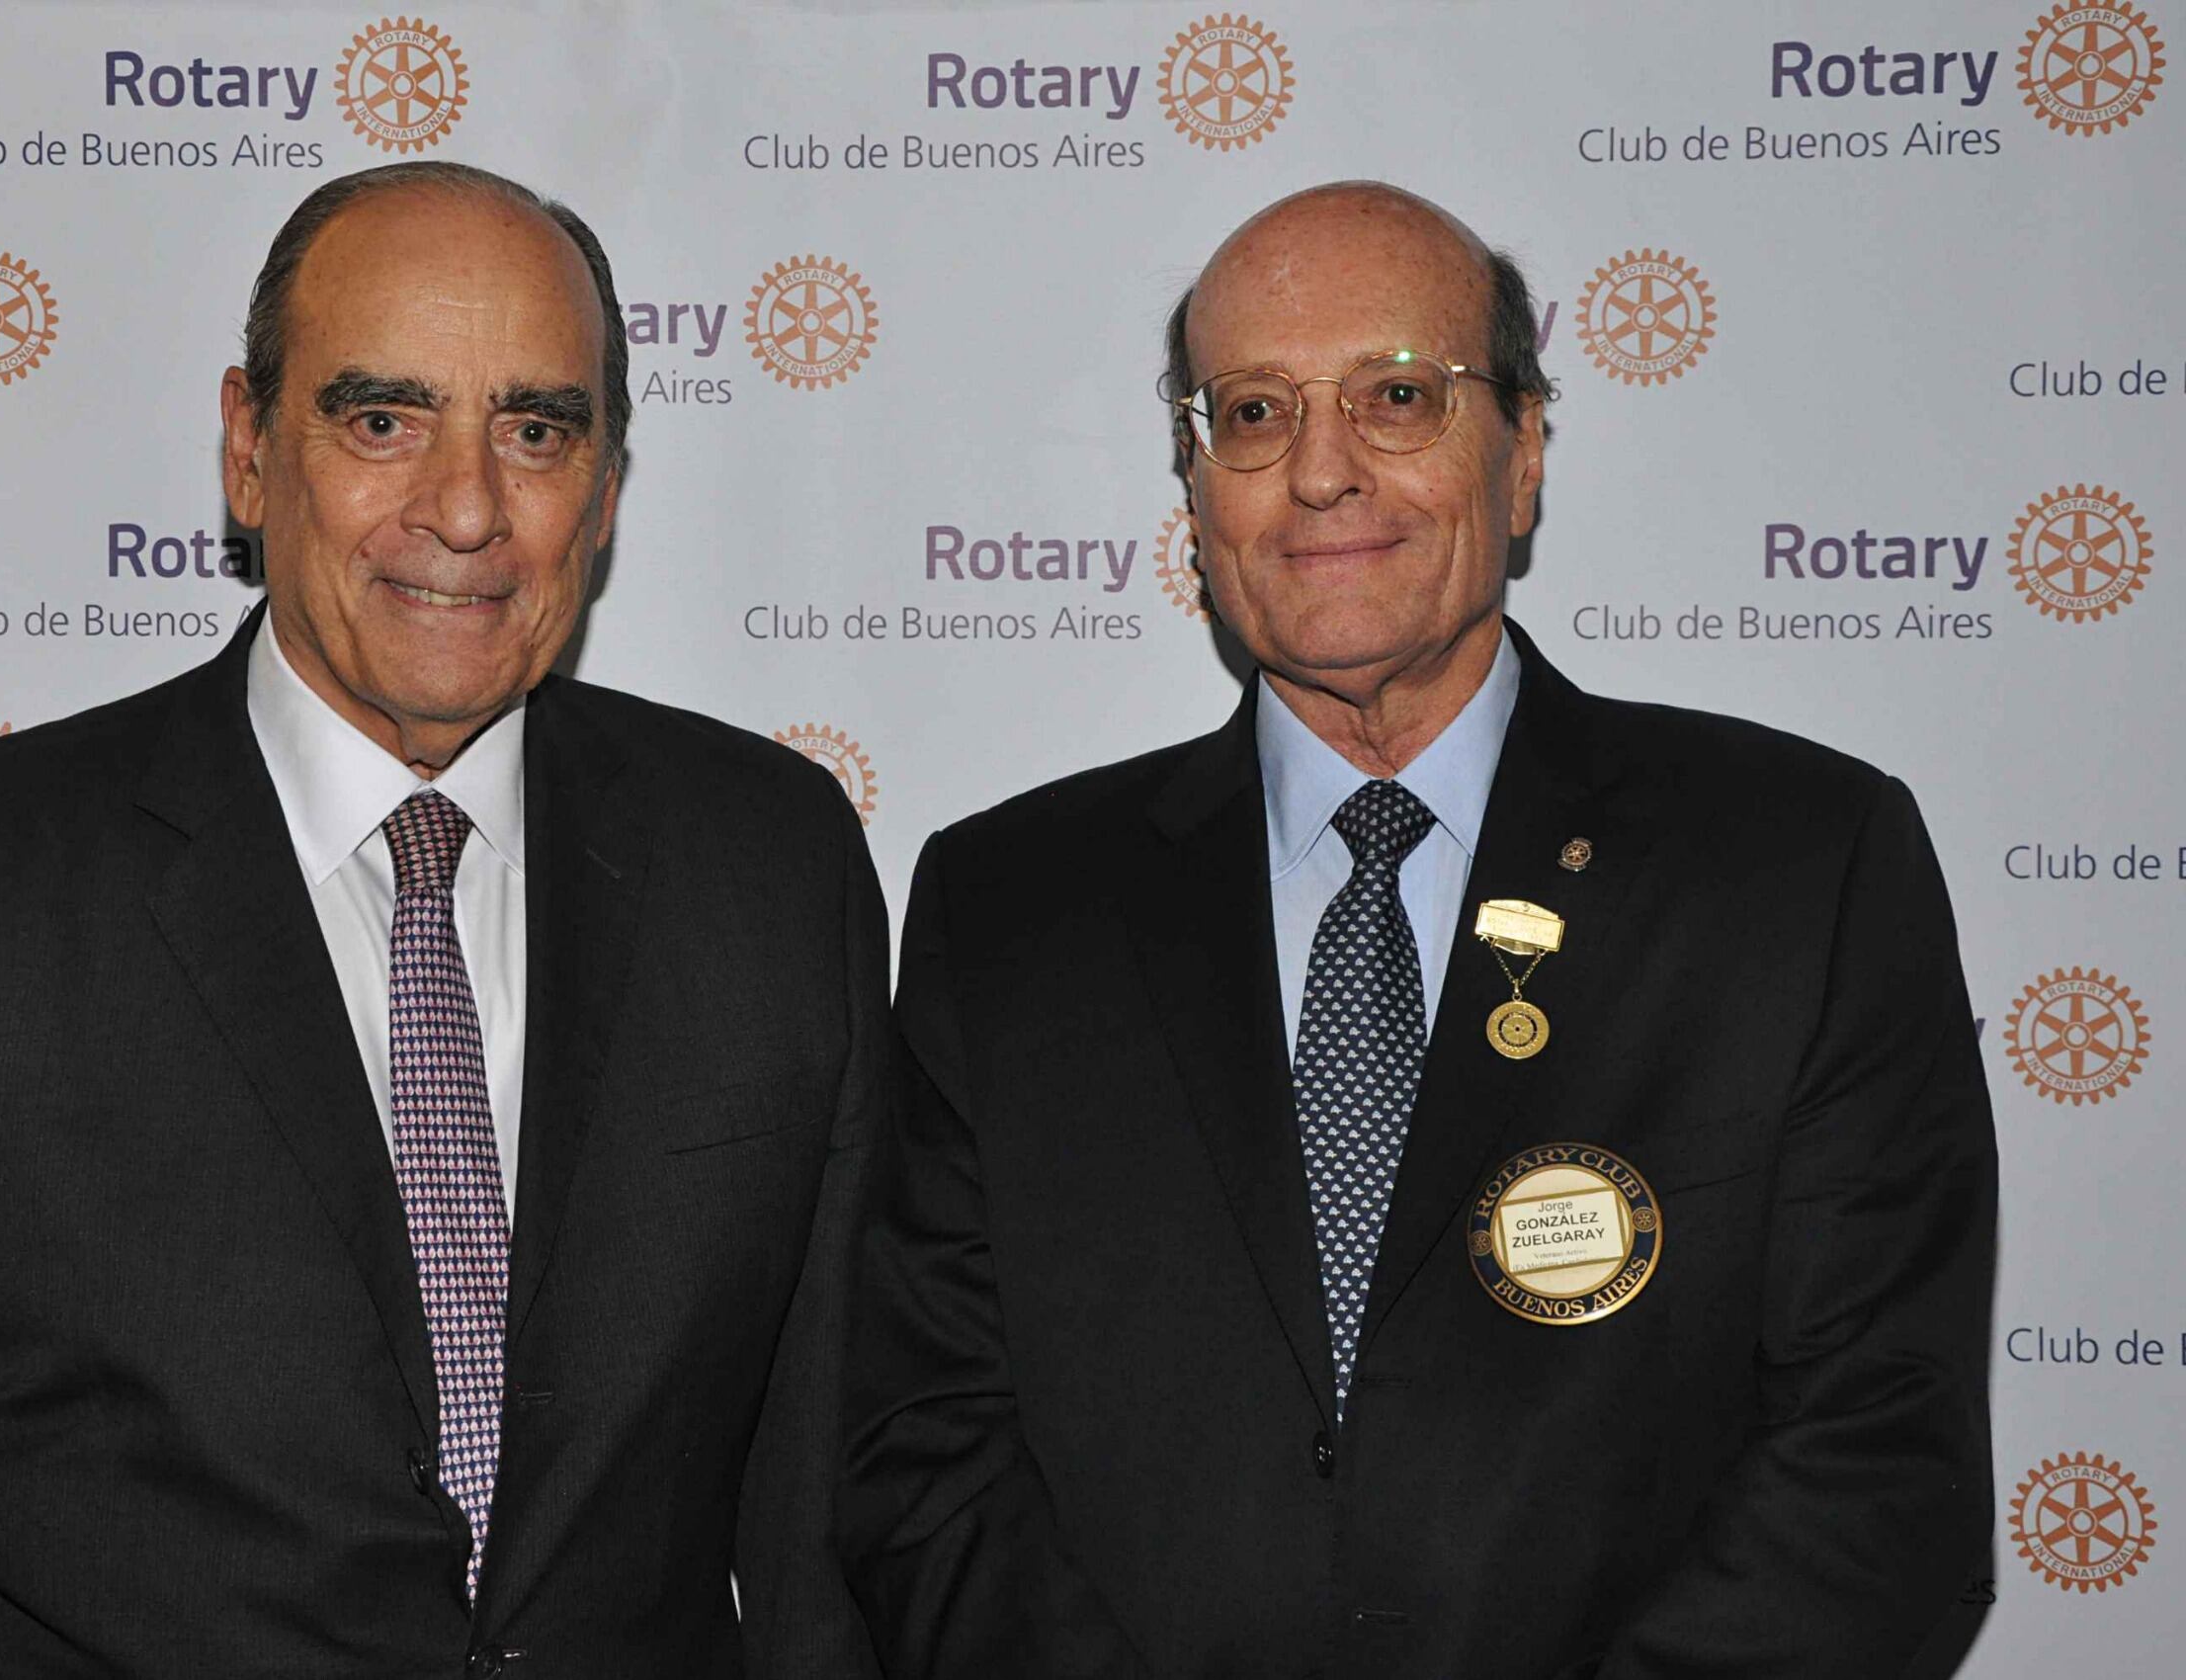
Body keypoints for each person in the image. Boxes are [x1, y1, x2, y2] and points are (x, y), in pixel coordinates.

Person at [0, 161, 885, 1679]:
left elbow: (821, 1553)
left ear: (603, 488)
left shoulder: (769, 865)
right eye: (382, 420)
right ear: (250, 451)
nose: (464, 509)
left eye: (535, 429)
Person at [839, 182, 1996, 1679]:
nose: (1322, 474)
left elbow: (1880, 1458)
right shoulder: (1007, 908)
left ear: (1521, 458)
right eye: (1252, 413)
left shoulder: (1800, 866)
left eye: (1398, 397)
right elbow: (922, 1453)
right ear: (1193, 493)